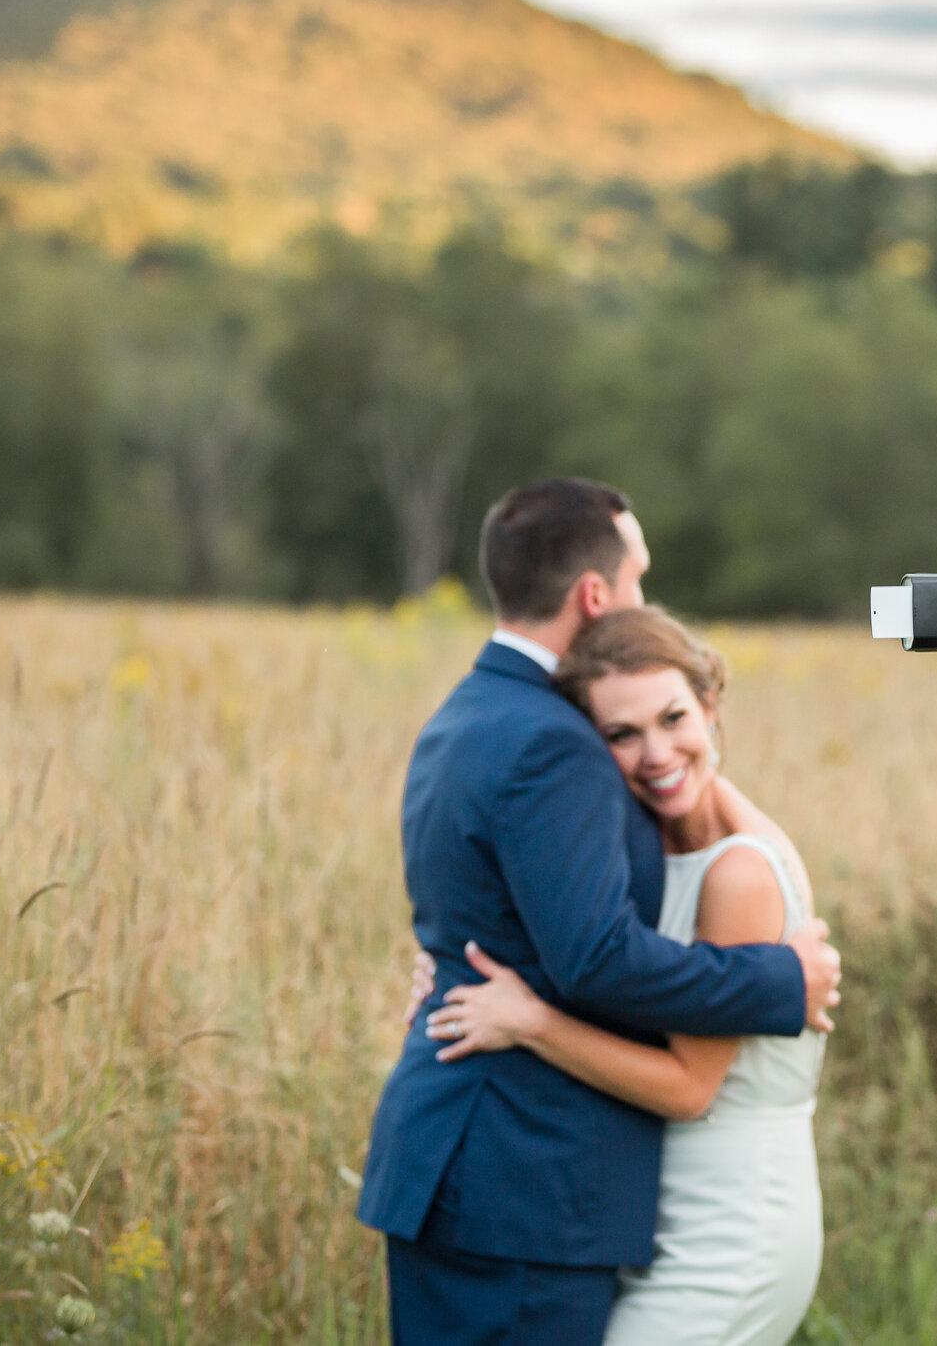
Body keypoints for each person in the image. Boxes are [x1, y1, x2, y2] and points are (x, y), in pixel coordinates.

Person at [356, 479, 841, 1346]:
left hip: (464, 1158)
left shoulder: (464, 714)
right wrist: (779, 977)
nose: (642, 600)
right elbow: (595, 957)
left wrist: (454, 970)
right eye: (638, 577)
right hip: (521, 1177)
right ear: (593, 594)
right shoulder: (553, 737)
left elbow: (484, 906)